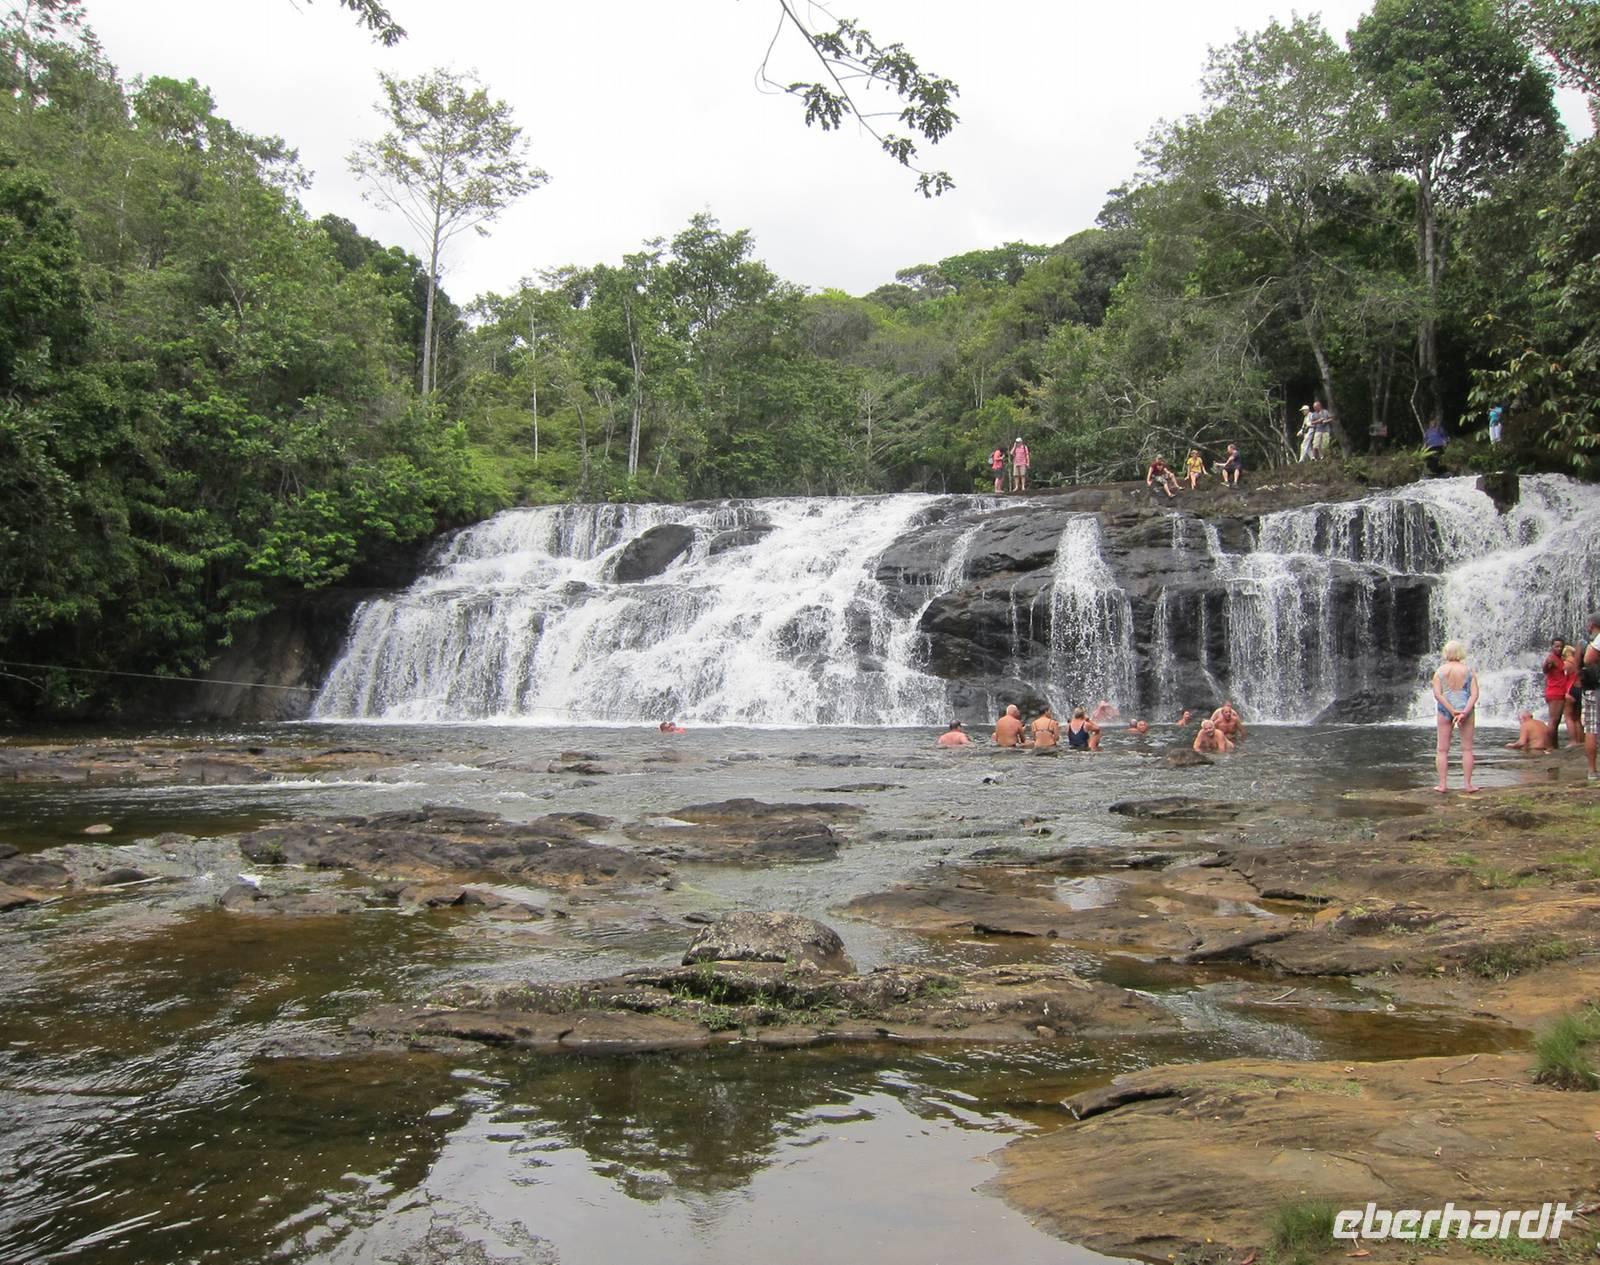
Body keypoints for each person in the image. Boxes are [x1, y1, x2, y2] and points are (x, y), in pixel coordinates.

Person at [1430, 639, 1480, 793]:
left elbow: (1438, 695)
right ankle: (1468, 785)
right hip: (1466, 708)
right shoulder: (1468, 671)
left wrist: (1452, 711)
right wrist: (1464, 711)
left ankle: (1443, 785)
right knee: (1467, 749)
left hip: (1445, 709)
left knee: (1442, 749)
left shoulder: (1439, 672)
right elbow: (1475, 694)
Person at [1542, 639, 1571, 748]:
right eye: (1556, 646)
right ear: (1552, 647)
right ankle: (1549, 747)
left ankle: (1555, 746)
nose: (1559, 648)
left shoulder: (1560, 658)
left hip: (1558, 691)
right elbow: (1545, 669)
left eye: (1561, 646)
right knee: (1553, 721)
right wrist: (1546, 664)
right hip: (1555, 692)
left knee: (1556, 721)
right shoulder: (1551, 658)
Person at [1583, 614, 1600, 780]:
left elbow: (1588, 659)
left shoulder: (1598, 638)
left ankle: (1592, 770)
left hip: (1596, 689)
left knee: (1592, 728)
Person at [1561, 646, 1586, 745]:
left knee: (1568, 717)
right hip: (1579, 689)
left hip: (1570, 689)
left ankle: (1573, 741)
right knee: (1577, 718)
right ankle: (1581, 741)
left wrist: (1564, 693)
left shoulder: (1566, 664)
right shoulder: (1578, 664)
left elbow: (1562, 680)